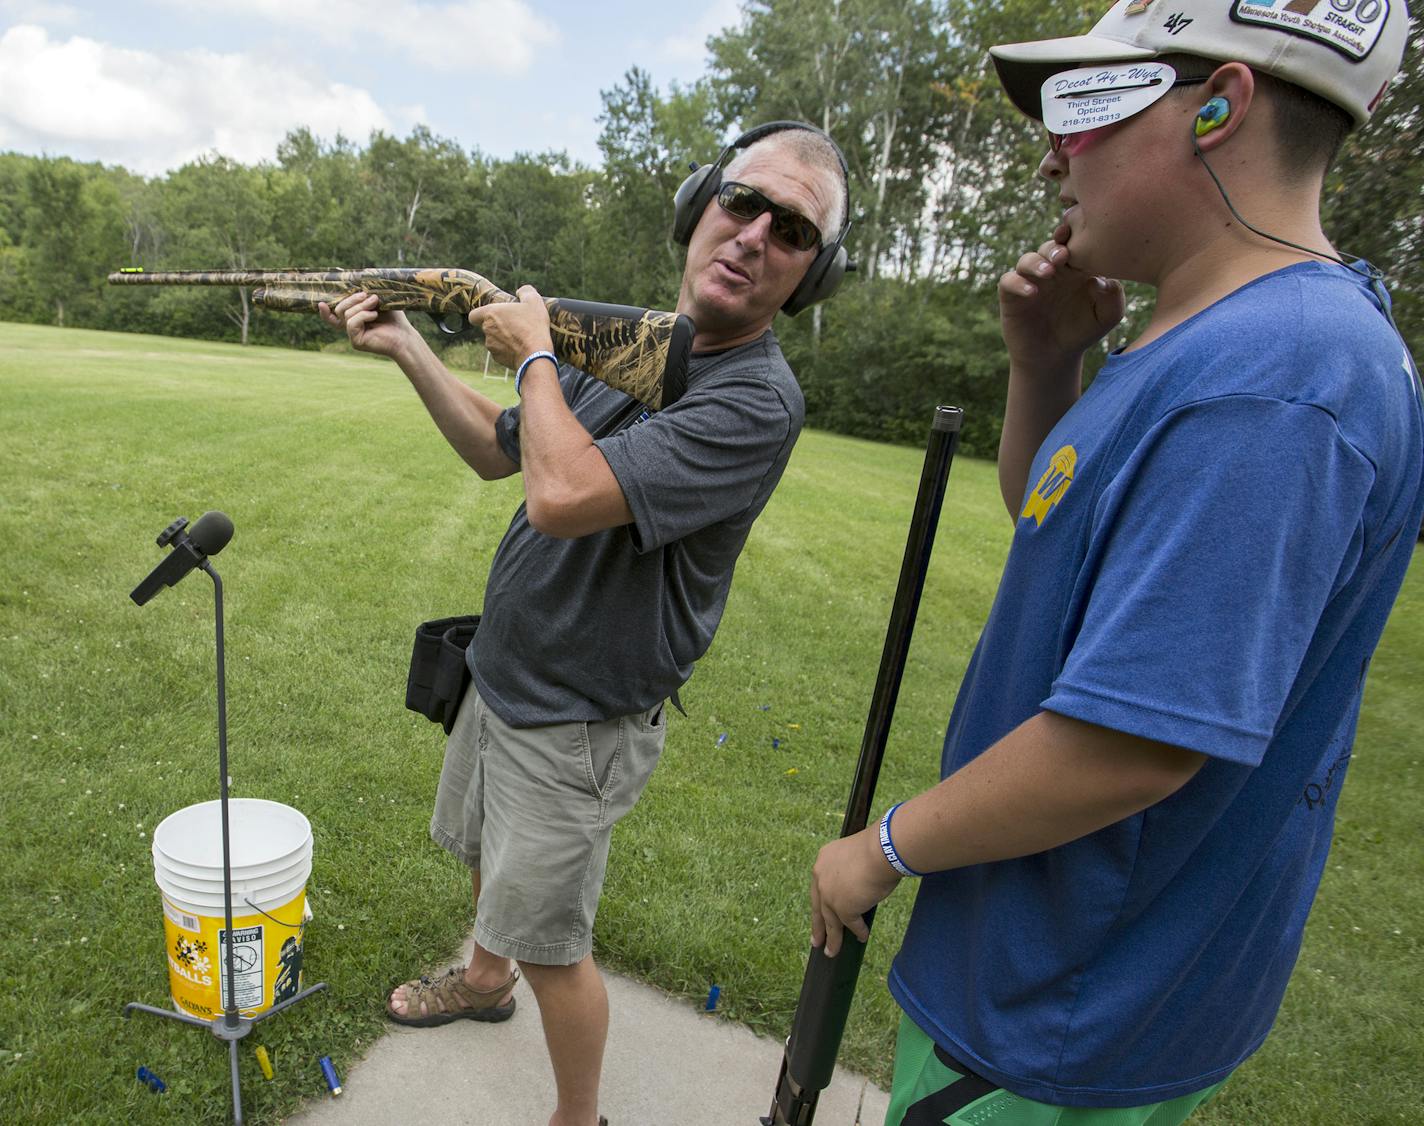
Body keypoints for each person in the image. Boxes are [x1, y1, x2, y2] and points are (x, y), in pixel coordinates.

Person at [806, 2, 1423, 1123]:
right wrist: (1046, 368)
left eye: (1082, 108)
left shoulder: (1271, 378)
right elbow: (1057, 524)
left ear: (1219, 105)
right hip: (1052, 970)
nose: (1050, 152)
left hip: (1067, 1003)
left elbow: (1131, 740)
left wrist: (886, 846)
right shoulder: (1207, 336)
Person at [320, 121, 850, 1126]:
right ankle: (483, 979)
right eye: (742, 202)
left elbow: (559, 493)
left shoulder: (754, 400)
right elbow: (498, 452)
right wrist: (404, 347)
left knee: (555, 947)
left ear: (808, 274)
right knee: (488, 861)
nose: (752, 235)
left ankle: (578, 1116)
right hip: (507, 671)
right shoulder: (636, 348)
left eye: (789, 229)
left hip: (576, 721)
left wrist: (533, 357)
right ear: (700, 206)